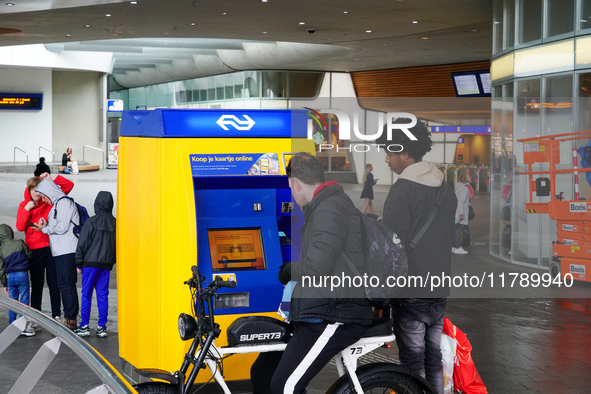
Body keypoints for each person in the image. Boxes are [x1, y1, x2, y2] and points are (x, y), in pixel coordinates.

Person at [269, 153, 374, 394]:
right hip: (323, 308)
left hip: (337, 313)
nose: (293, 197)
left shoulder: (329, 209)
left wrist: (286, 272)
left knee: (286, 386)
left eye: (291, 189)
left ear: (296, 183)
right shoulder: (327, 205)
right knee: (264, 371)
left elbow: (316, 266)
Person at [376, 119, 456, 394]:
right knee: (433, 357)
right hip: (439, 287)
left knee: (411, 361)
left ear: (405, 152)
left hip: (411, 288)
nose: (387, 158)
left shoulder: (403, 189)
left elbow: (391, 245)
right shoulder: (446, 188)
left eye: (390, 152)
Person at [16, 172, 73, 324]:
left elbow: (68, 186)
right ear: (28, 191)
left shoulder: (49, 202)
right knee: (37, 285)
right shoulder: (24, 205)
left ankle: (56, 315)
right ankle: (36, 317)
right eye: (32, 189)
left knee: (54, 284)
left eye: (38, 189)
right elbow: (20, 226)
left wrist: (50, 179)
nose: (36, 192)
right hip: (34, 251)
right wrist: (27, 208)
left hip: (51, 249)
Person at [33, 178, 80, 331]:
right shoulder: (56, 206)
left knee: (67, 285)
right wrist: (46, 225)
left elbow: (62, 227)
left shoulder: (64, 203)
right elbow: (57, 225)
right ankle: (68, 317)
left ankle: (71, 319)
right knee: (63, 285)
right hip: (60, 252)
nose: (44, 199)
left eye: (44, 195)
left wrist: (44, 229)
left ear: (49, 192)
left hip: (68, 251)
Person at [74, 191, 116, 338]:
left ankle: (84, 326)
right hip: (106, 266)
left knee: (86, 295)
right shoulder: (116, 223)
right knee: (103, 295)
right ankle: (101, 327)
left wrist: (78, 263)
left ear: (96, 204)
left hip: (90, 264)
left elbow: (82, 244)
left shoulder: (91, 221)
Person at [0, 224, 35, 337]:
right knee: (24, 300)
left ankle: (12, 325)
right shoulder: (19, 243)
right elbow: (29, 255)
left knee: (13, 301)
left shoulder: (1, 249)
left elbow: (1, 269)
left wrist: (4, 283)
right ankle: (23, 326)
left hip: (10, 277)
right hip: (22, 274)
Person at [453, 171, 473, 255]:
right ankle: (458, 247)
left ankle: (454, 246)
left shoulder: (459, 187)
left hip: (457, 212)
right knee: (459, 230)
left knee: (456, 230)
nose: (471, 177)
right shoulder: (464, 188)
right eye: (469, 176)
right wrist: (461, 214)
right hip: (461, 212)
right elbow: (461, 202)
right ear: (465, 179)